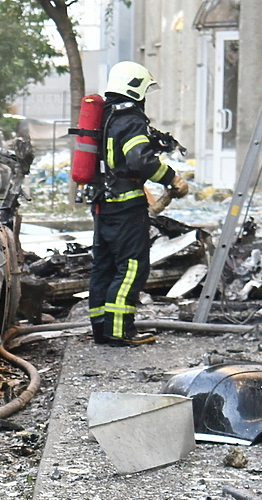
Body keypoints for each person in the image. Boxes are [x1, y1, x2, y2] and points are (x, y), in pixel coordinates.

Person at [87, 61, 189, 347]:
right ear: (136, 88)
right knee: (132, 266)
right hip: (126, 207)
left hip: (103, 204)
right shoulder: (130, 119)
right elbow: (139, 160)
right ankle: (120, 331)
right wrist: (172, 178)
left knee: (104, 267)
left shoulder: (105, 115)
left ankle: (101, 329)